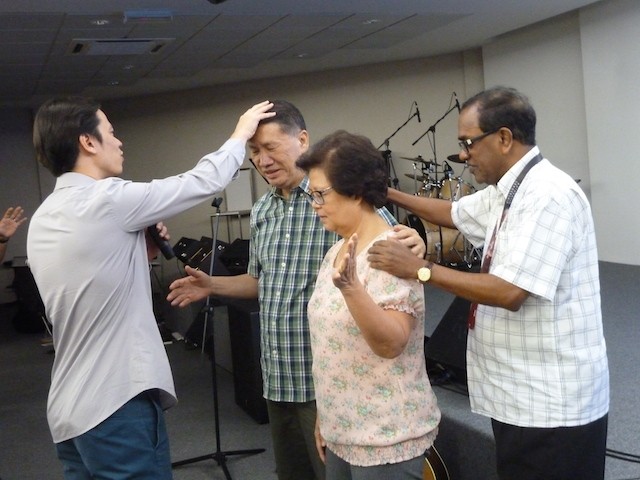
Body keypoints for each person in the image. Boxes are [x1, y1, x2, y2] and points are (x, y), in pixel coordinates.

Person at [167, 100, 425, 480]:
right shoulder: (263, 212)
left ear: (302, 140)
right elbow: (261, 283)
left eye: (270, 147)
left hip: (336, 387)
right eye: (254, 152)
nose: (262, 159)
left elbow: (387, 245)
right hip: (279, 376)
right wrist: (213, 285)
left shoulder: (340, 201)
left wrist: (416, 245)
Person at [26, 96, 275, 479]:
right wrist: (241, 134)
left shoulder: (45, 216)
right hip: (116, 403)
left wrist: (137, 251)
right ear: (88, 143)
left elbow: (89, 281)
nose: (119, 141)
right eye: (110, 132)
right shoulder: (106, 198)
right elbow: (202, 181)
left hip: (70, 411)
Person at [367, 86, 609, 480]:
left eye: (468, 142)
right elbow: (453, 212)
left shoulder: (548, 196)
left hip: (552, 404)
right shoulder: (507, 190)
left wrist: (420, 269)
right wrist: (389, 194)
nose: (463, 154)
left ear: (503, 138)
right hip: (520, 396)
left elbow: (510, 292)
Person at [296, 130, 440, 479]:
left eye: (321, 194)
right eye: (310, 194)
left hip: (387, 439)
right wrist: (325, 418)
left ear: (356, 192)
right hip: (344, 433)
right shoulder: (338, 250)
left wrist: (351, 289)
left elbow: (391, 343)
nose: (314, 205)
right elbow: (333, 349)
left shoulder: (393, 251)